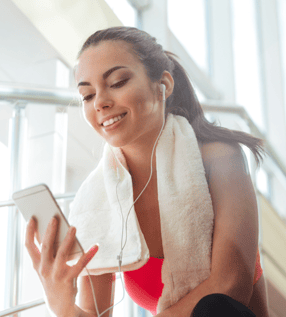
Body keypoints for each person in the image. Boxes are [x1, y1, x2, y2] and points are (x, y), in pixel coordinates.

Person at [24, 26, 270, 317]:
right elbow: (96, 315)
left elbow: (230, 287)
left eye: (117, 82)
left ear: (163, 84)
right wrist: (60, 303)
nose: (100, 102)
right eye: (87, 95)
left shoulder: (219, 157)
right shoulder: (96, 203)